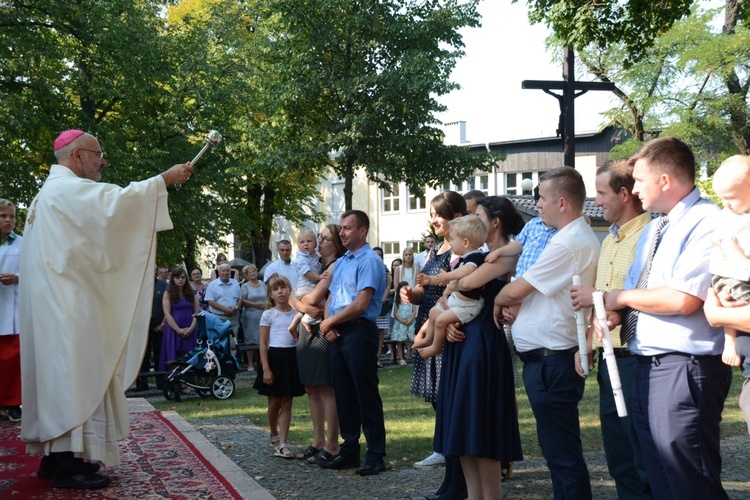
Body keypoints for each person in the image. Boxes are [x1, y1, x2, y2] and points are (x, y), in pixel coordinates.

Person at [19, 129, 192, 489]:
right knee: (73, 379)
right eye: (98, 154)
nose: (102, 162)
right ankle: (67, 466)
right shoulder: (67, 191)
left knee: (63, 381)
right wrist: (163, 179)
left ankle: (57, 457)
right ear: (77, 155)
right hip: (67, 308)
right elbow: (116, 206)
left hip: (54, 305)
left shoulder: (47, 194)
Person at [601, 137, 730, 499]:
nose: (634, 188)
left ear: (665, 180)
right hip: (647, 362)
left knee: (688, 476)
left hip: (684, 365)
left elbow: (685, 297)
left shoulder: (706, 221)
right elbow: (636, 289)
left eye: (640, 180)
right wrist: (614, 313)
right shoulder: (658, 226)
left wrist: (620, 297)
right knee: (659, 475)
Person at [493, 166, 598, 499]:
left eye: (541, 198)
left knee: (562, 455)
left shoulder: (568, 242)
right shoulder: (570, 237)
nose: (537, 205)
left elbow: (515, 291)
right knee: (557, 452)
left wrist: (500, 298)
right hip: (547, 361)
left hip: (553, 362)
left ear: (562, 202)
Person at [569, 160, 652, 499]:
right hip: (609, 360)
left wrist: (601, 299)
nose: (597, 201)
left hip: (638, 359)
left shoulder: (650, 236)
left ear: (624, 193)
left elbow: (648, 296)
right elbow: (603, 306)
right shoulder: (609, 241)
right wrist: (587, 342)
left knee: (643, 457)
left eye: (602, 193)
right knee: (618, 458)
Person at [436, 195, 525, 500]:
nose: (472, 221)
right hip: (463, 341)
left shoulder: (505, 255)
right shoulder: (476, 255)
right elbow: (447, 299)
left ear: (495, 222)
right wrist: (448, 321)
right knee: (462, 426)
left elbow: (469, 284)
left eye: (479, 216)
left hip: (484, 344)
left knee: (482, 429)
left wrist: (448, 281)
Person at [402, 192, 466, 475]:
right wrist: (410, 293)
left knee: (446, 391)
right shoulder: (433, 249)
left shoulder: (460, 249)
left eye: (438, 214)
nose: (433, 220)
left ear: (456, 217)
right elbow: (423, 292)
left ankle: (448, 448)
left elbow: (462, 289)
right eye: (431, 214)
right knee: (435, 393)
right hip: (427, 323)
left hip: (446, 326)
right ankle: (444, 446)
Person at [319, 210, 387, 476]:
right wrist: (329, 325)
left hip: (359, 331)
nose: (343, 233)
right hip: (339, 331)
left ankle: (375, 455)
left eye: (348, 228)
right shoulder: (344, 261)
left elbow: (360, 304)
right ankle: (349, 451)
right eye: (342, 228)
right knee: (345, 394)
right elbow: (331, 299)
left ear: (362, 231)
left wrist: (329, 323)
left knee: (365, 393)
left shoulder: (369, 260)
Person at [289, 224, 346, 464]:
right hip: (307, 327)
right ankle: (318, 440)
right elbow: (293, 295)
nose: (319, 243)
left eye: (324, 239)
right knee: (311, 387)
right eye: (319, 238)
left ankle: (332, 444)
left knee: (325, 388)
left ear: (336, 244)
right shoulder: (315, 266)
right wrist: (301, 306)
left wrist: (300, 304)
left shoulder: (334, 267)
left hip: (323, 329)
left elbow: (310, 298)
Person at [413, 215, 488, 358]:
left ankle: (436, 347)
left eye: (453, 239)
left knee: (441, 320)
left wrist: (448, 276)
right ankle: (429, 338)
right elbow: (451, 280)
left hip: (468, 306)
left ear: (465, 242)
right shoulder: (465, 258)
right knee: (433, 313)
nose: (450, 242)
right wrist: (431, 280)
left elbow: (468, 270)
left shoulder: (475, 257)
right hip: (457, 302)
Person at [253, 275, 306, 459]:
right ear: (271, 294)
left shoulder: (295, 313)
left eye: (283, 287)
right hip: (274, 359)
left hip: (291, 359)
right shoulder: (269, 314)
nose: (280, 292)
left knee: (287, 402)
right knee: (274, 403)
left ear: (289, 289)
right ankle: (274, 433)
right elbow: (263, 343)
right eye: (276, 289)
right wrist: (266, 368)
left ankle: (283, 442)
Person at [709, 156, 750, 367]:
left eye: (731, 198)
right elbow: (726, 245)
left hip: (743, 272)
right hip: (729, 274)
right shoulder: (728, 217)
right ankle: (729, 341)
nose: (726, 204)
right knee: (737, 298)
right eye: (722, 198)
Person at [158, 268, 200, 395]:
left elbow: (197, 312)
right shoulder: (168, 292)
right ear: (173, 279)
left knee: (186, 357)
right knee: (173, 357)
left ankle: (184, 385)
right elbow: (167, 313)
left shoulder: (191, 292)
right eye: (177, 277)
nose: (180, 280)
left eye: (182, 277)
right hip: (174, 329)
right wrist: (178, 330)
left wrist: (191, 328)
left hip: (190, 328)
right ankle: (172, 384)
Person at [0, 199, 22, 423]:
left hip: (12, 310)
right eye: (3, 216)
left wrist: (18, 279)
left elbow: (37, 272)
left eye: (11, 216)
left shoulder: (23, 244)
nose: (8, 220)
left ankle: (12, 403)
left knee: (11, 359)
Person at [134, 268, 168, 392]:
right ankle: (142, 383)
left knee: (160, 355)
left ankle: (160, 381)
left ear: (155, 272)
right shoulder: (138, 285)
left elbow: (168, 307)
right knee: (143, 355)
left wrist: (163, 324)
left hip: (159, 327)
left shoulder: (163, 285)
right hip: (142, 328)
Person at [287, 229, 323, 336]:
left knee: (310, 307)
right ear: (298, 245)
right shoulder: (300, 258)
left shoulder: (314, 256)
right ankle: (307, 319)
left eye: (309, 241)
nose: (306, 244)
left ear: (315, 244)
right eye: (302, 242)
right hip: (306, 286)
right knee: (322, 304)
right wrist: (320, 277)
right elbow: (307, 273)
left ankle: (294, 324)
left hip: (308, 285)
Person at [204, 263, 242, 351]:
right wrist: (225, 309)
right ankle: (221, 363)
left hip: (233, 317)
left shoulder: (235, 283)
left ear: (230, 272)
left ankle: (232, 362)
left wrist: (235, 308)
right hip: (218, 318)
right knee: (219, 342)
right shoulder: (212, 285)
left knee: (233, 342)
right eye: (223, 271)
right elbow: (210, 302)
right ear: (219, 272)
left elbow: (240, 299)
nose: (225, 273)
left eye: (227, 271)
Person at [240, 264, 266, 371]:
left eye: (254, 271)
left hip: (263, 315)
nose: (252, 274)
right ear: (246, 275)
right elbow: (242, 301)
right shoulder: (245, 286)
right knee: (250, 340)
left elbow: (269, 295)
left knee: (261, 339)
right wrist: (255, 304)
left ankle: (259, 362)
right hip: (250, 316)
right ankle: (250, 363)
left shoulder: (263, 284)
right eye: (249, 272)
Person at [373, 246, 392, 367]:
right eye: (375, 254)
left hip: (382, 305)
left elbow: (389, 285)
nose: (377, 256)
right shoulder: (368, 267)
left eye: (380, 254)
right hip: (369, 305)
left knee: (380, 333)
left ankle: (377, 358)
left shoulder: (386, 270)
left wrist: (383, 299)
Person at [391, 281, 417, 366]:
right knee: (400, 340)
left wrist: (410, 320)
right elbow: (395, 313)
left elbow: (414, 311)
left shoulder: (411, 300)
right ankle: (401, 359)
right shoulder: (397, 301)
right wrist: (402, 321)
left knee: (414, 338)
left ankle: (413, 354)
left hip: (411, 322)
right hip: (400, 323)